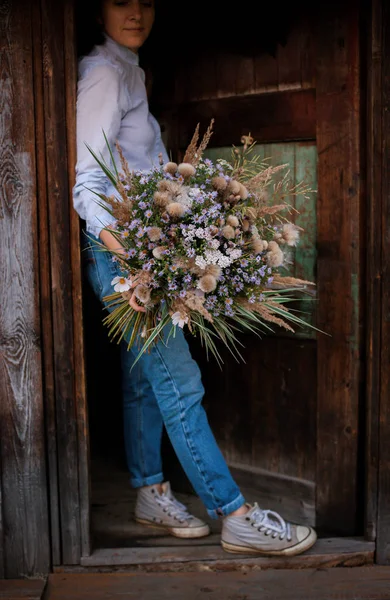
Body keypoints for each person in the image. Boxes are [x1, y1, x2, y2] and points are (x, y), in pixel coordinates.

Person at [73, 0, 317, 556]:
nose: (135, 12)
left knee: (144, 378)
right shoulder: (105, 74)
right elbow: (85, 184)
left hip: (139, 250)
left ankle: (148, 490)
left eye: (146, 1)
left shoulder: (127, 69)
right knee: (179, 384)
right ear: (96, 10)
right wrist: (137, 261)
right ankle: (235, 514)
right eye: (120, 1)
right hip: (125, 258)